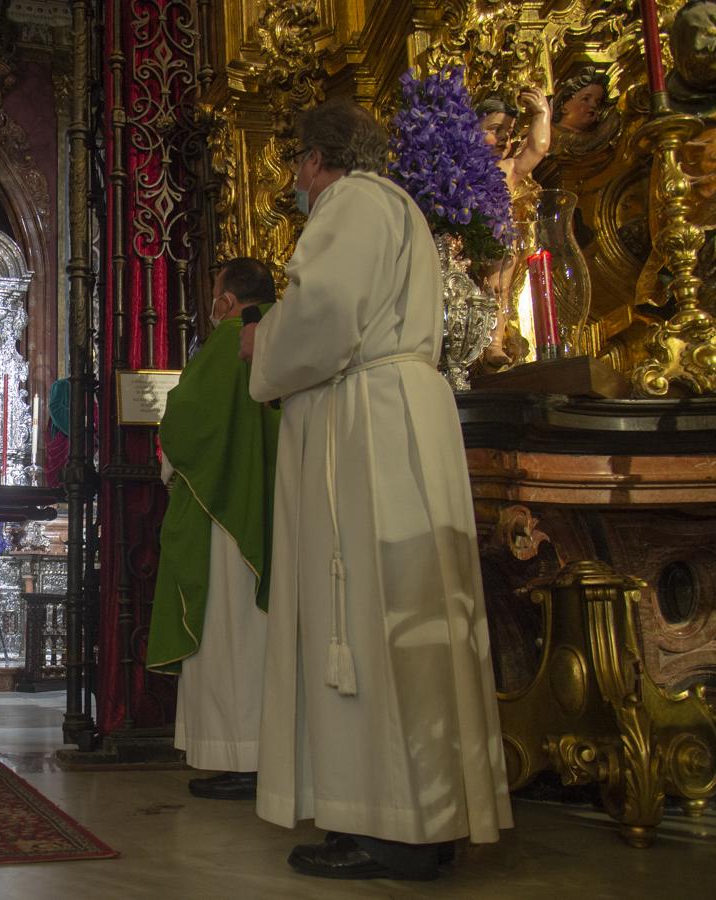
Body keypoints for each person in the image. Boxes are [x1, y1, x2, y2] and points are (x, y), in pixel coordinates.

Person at [238, 99, 512, 880]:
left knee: (363, 613)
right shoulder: (407, 215)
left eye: (297, 164)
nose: (295, 180)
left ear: (320, 159)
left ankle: (385, 824)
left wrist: (264, 344)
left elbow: (324, 315)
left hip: (364, 428)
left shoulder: (354, 201)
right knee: (413, 616)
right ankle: (428, 814)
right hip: (403, 417)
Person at [147, 257, 280, 801]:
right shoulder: (286, 331)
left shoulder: (231, 340)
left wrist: (169, 461)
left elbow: (184, 419)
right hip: (273, 511)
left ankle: (241, 755)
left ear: (227, 301)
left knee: (229, 633)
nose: (212, 306)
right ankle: (268, 753)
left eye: (214, 295)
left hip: (226, 519)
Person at [477, 88, 550, 367]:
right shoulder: (460, 169)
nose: (504, 137)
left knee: (498, 289)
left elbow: (537, 148)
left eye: (508, 131)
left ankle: (493, 344)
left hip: (499, 239)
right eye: (495, 129)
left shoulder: (508, 168)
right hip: (465, 241)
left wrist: (542, 113)